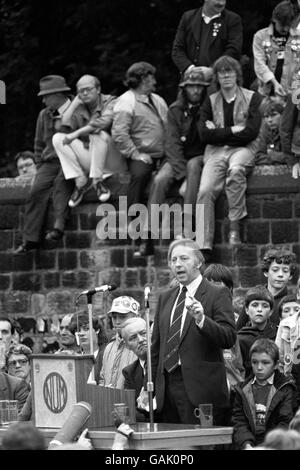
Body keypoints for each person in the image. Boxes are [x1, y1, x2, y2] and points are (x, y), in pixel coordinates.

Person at [151, 238, 236, 425]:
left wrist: (202, 320)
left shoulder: (216, 293)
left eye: (183, 258)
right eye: (173, 260)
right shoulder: (165, 298)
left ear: (198, 262)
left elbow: (229, 337)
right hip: (166, 389)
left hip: (200, 390)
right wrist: (148, 387)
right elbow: (156, 347)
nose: (177, 264)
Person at [135, 69, 209, 257]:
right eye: (191, 86)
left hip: (200, 156)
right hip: (178, 157)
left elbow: (207, 138)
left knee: (193, 167)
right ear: (184, 88)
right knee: (160, 179)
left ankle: (187, 229)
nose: (195, 90)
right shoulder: (175, 109)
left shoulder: (209, 107)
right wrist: (180, 174)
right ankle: (147, 236)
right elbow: (172, 142)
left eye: (199, 87)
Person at [197, 55, 262, 254]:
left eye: (230, 71)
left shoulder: (253, 97)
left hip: (244, 149)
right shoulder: (210, 100)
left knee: (235, 172)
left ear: (237, 74)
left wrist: (218, 133)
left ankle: (235, 226)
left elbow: (251, 132)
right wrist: (233, 130)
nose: (226, 76)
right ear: (216, 76)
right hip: (216, 151)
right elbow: (203, 134)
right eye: (221, 72)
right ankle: (203, 244)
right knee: (205, 190)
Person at [112, 62, 168, 254]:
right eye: (151, 77)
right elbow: (120, 134)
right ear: (143, 78)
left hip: (164, 155)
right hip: (141, 155)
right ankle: (140, 235)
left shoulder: (157, 99)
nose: (154, 80)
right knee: (138, 179)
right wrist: (136, 154)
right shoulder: (125, 101)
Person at [13, 75, 74, 252]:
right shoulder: (44, 115)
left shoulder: (76, 111)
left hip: (71, 159)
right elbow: (39, 144)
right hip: (49, 162)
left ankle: (59, 226)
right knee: (36, 191)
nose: (44, 100)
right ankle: (30, 240)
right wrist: (40, 166)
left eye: (46, 96)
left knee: (60, 186)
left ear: (58, 94)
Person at [52, 74, 126, 208]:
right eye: (81, 91)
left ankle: (97, 181)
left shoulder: (111, 101)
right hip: (93, 160)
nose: (85, 93)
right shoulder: (79, 106)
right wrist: (74, 104)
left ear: (98, 89)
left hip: (113, 159)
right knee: (58, 138)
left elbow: (102, 123)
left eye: (88, 89)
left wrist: (76, 133)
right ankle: (80, 181)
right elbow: (61, 126)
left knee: (98, 134)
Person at [232, 338, 296, 450]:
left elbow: (285, 422)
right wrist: (246, 444)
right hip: (248, 445)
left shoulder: (286, 388)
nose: (259, 368)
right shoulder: (242, 389)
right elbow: (239, 422)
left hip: (275, 445)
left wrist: (266, 446)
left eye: (265, 362)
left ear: (276, 365)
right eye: (254, 362)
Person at [172, 0, 242, 80]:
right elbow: (177, 49)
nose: (221, 3)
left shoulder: (232, 19)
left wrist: (213, 70)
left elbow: (234, 50)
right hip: (190, 80)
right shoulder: (188, 17)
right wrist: (190, 69)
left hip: (218, 81)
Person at [237, 248, 297, 329]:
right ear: (266, 272)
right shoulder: (254, 297)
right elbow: (238, 329)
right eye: (275, 270)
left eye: (285, 271)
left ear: (290, 276)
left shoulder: (292, 302)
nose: (280, 274)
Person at [252, 1, 295, 97]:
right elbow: (259, 64)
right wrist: (274, 83)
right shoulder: (260, 36)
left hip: (293, 94)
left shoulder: (298, 38)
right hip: (266, 93)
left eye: (288, 25)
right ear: (274, 19)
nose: (285, 29)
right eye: (282, 25)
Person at [99, 296, 140, 388]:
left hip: (132, 400)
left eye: (122, 317)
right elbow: (102, 378)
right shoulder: (109, 347)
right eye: (114, 317)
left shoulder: (142, 345)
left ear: (136, 317)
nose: (117, 321)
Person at [238, 285, 277, 378]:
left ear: (271, 312)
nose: (259, 309)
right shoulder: (239, 339)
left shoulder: (278, 334)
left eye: (265, 306)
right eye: (255, 305)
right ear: (247, 310)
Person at [121, 317, 151, 422]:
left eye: (143, 333)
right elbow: (130, 410)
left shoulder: (167, 363)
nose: (141, 340)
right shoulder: (129, 372)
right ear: (126, 346)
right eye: (133, 338)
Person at [68, 312, 108, 384]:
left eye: (86, 329)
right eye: (77, 330)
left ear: (97, 330)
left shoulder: (107, 355)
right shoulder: (73, 358)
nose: (81, 333)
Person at [255, 98, 286, 165]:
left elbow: (294, 157)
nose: (269, 120)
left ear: (283, 114)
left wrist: (272, 155)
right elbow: (257, 157)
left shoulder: (292, 130)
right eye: (266, 116)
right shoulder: (264, 130)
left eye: (273, 115)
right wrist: (277, 159)